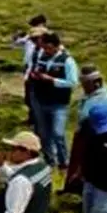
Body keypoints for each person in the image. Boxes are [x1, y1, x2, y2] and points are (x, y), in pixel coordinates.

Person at [63, 66, 107, 194]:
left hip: (96, 136)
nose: (84, 87)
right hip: (84, 134)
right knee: (76, 163)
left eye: (86, 84)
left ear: (96, 83)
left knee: (88, 164)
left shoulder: (105, 99)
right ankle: (71, 190)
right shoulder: (88, 96)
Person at [27, 31, 79, 171]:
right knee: (43, 134)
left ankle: (64, 162)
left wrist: (53, 80)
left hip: (59, 103)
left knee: (58, 133)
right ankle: (50, 161)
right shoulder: (42, 56)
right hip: (41, 100)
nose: (46, 50)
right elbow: (36, 69)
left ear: (56, 46)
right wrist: (35, 75)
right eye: (44, 48)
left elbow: (73, 82)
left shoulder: (67, 60)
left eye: (48, 48)